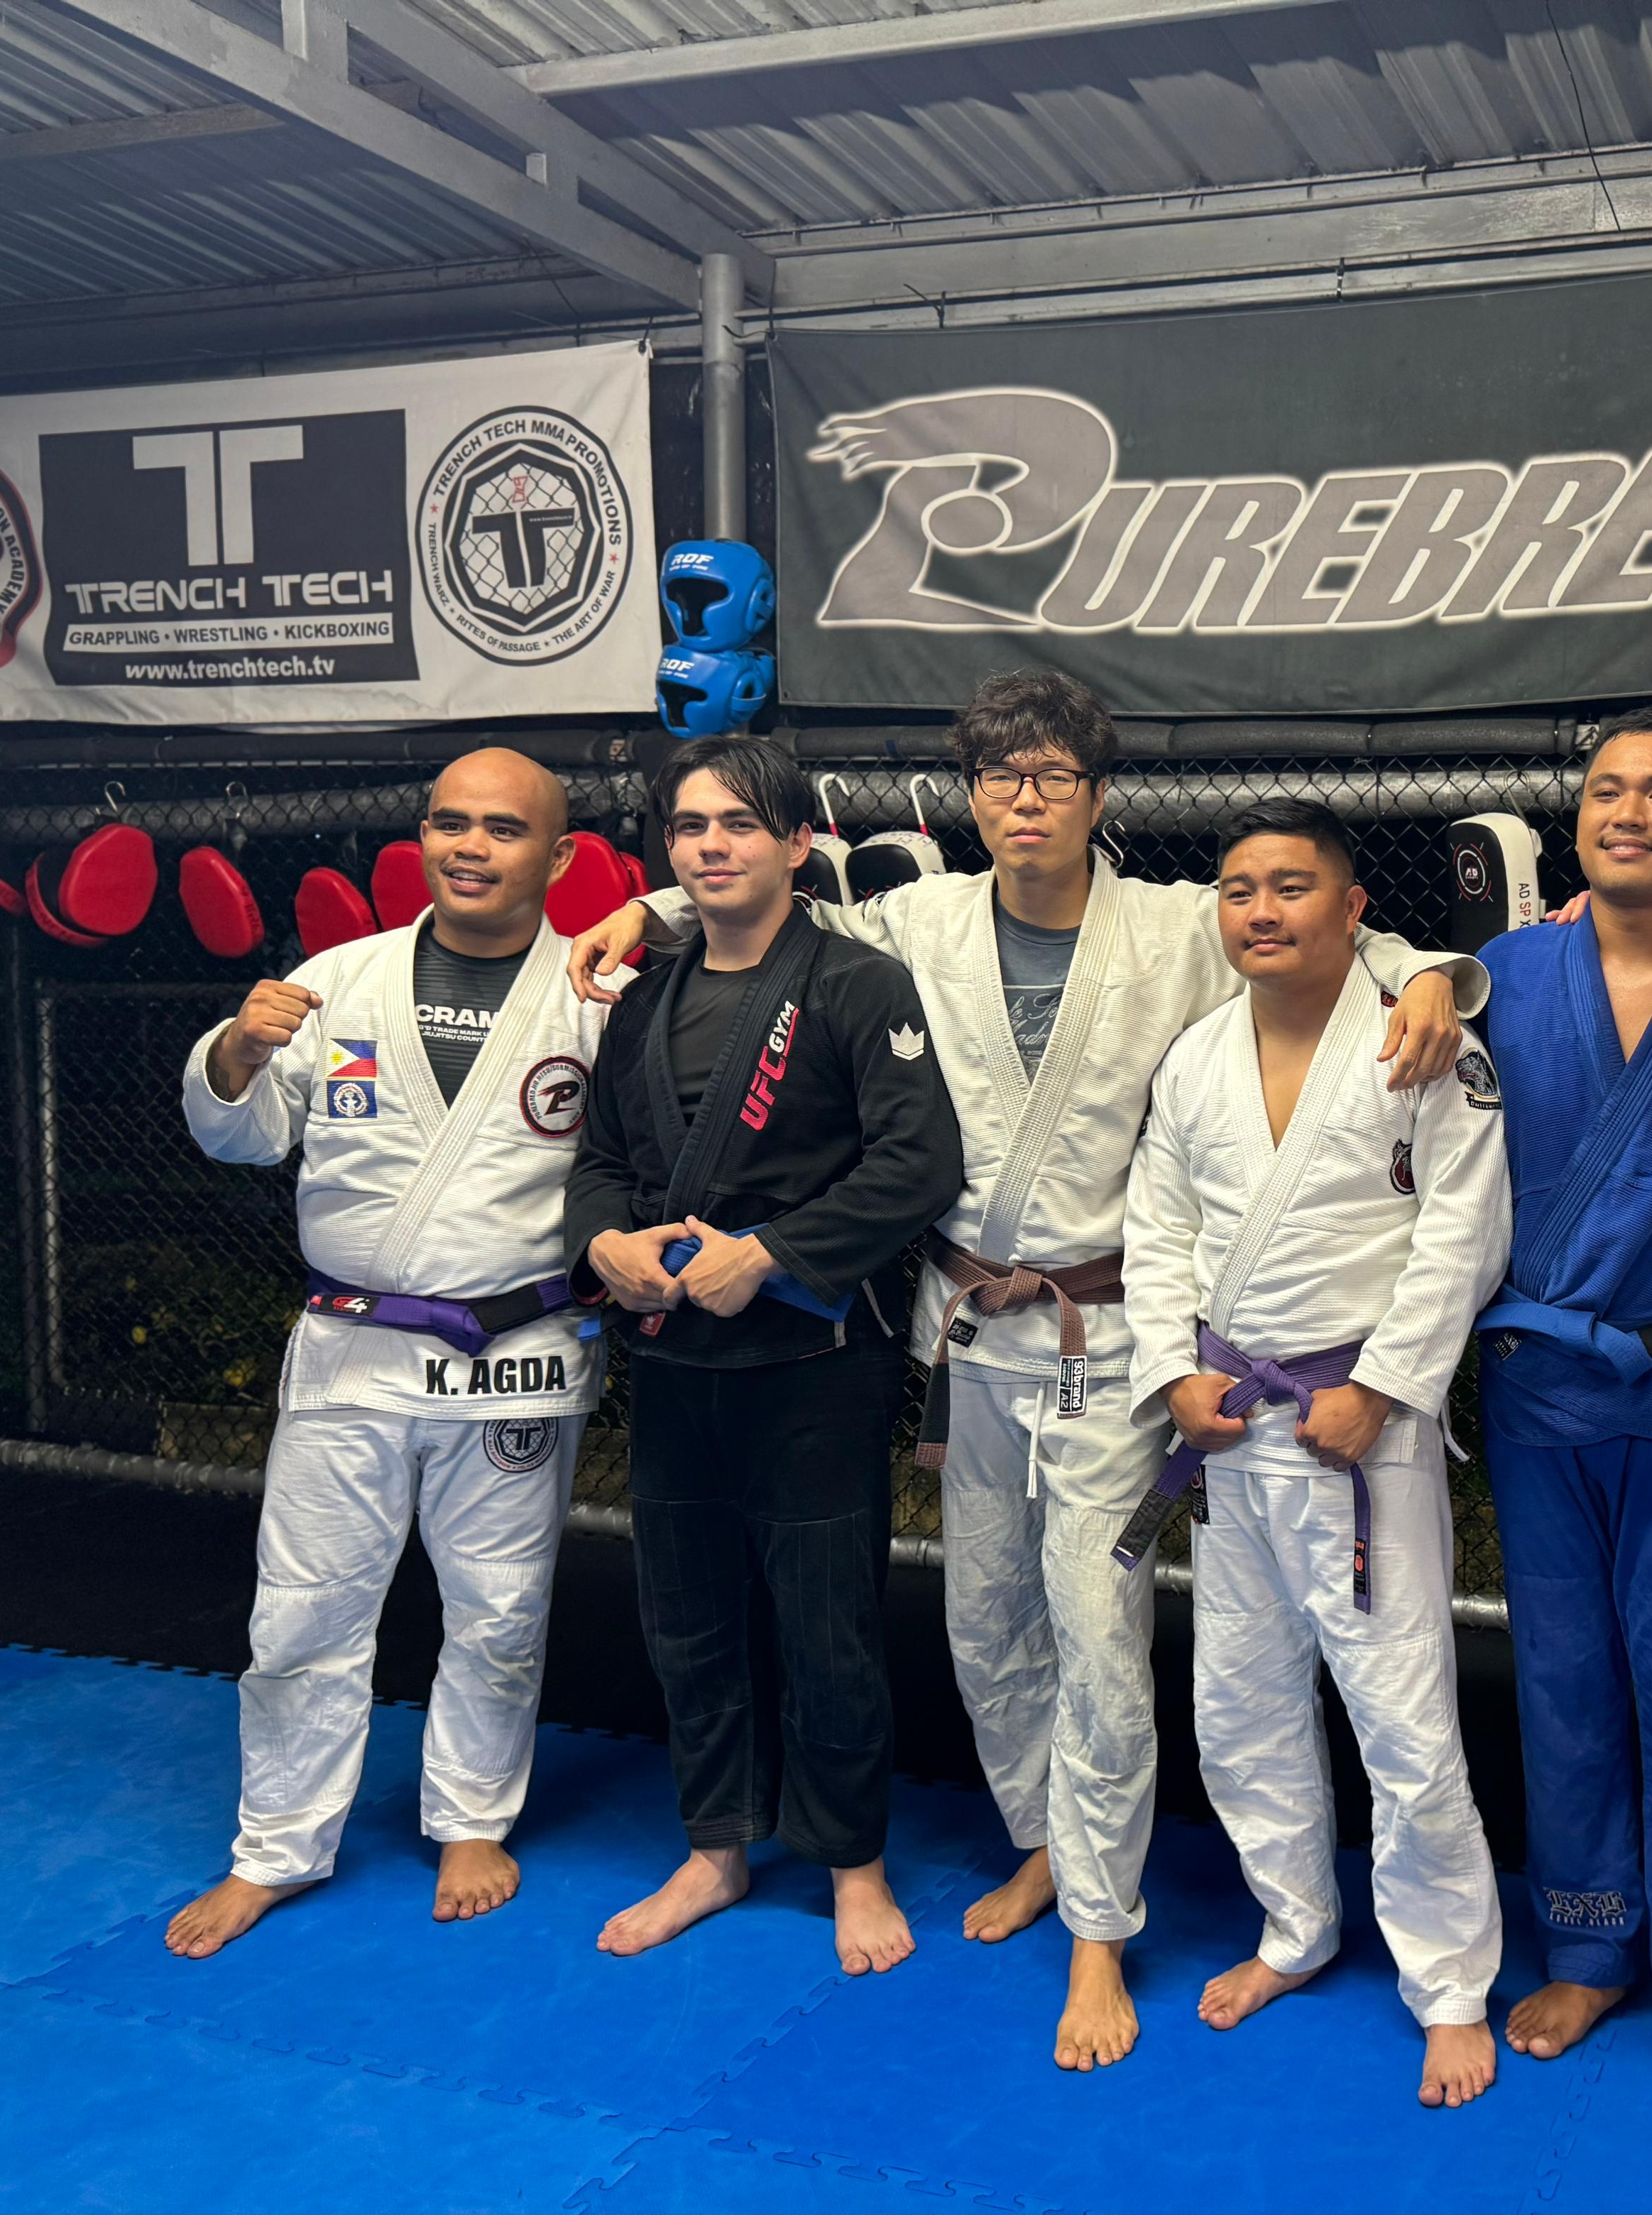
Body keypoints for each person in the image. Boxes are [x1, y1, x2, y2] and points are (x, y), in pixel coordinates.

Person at [566, 669, 1481, 2070]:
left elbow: (1335, 933)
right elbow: (764, 908)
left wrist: (1429, 975)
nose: (1026, 802)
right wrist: (654, 908)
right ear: (972, 798)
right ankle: (1047, 1841)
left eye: (1054, 777)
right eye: (999, 779)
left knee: (1098, 1632)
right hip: (968, 1331)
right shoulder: (916, 921)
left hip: (1114, 1337)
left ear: (1099, 797)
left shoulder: (1180, 923)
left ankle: (1102, 1935)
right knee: (986, 1622)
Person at [167, 748, 610, 1958]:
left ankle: (472, 1816)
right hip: (352, 1350)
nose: (471, 846)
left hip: (515, 1351)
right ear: (420, 838)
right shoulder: (339, 980)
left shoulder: (595, 994)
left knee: (502, 1608)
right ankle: (277, 1845)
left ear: (559, 859)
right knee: (304, 1610)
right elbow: (243, 1138)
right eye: (449, 823)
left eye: (503, 830)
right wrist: (238, 1052)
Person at [1119, 799, 1511, 2111]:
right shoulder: (1194, 1060)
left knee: (1400, 1711)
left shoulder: (1428, 1048)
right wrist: (1173, 1370)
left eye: (1292, 887)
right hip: (1232, 1423)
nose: (1263, 911)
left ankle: (1450, 1981)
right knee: (1237, 1700)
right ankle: (1295, 1925)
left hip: (1359, 1434)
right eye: (1238, 890)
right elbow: (1158, 1224)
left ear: (1356, 912)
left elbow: (1464, 1228)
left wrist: (1391, 1388)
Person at [564, 736, 963, 1977]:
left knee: (826, 1621)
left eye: (740, 824)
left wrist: (776, 1252)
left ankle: (853, 1863)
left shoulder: (856, 985)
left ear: (799, 844)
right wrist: (607, 1243)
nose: (713, 844)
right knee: (684, 1610)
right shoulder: (642, 1000)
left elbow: (918, 1162)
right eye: (690, 829)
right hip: (675, 1361)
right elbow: (596, 1164)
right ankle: (717, 1843)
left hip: (812, 1359)